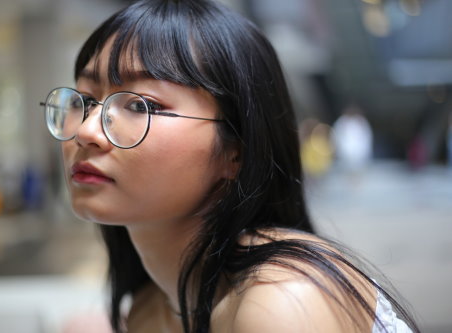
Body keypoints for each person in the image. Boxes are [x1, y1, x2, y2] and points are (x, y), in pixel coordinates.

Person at [40, 0, 419, 332]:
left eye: (141, 105)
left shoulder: (282, 300)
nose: (87, 130)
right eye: (85, 100)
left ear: (235, 150)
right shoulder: (146, 308)